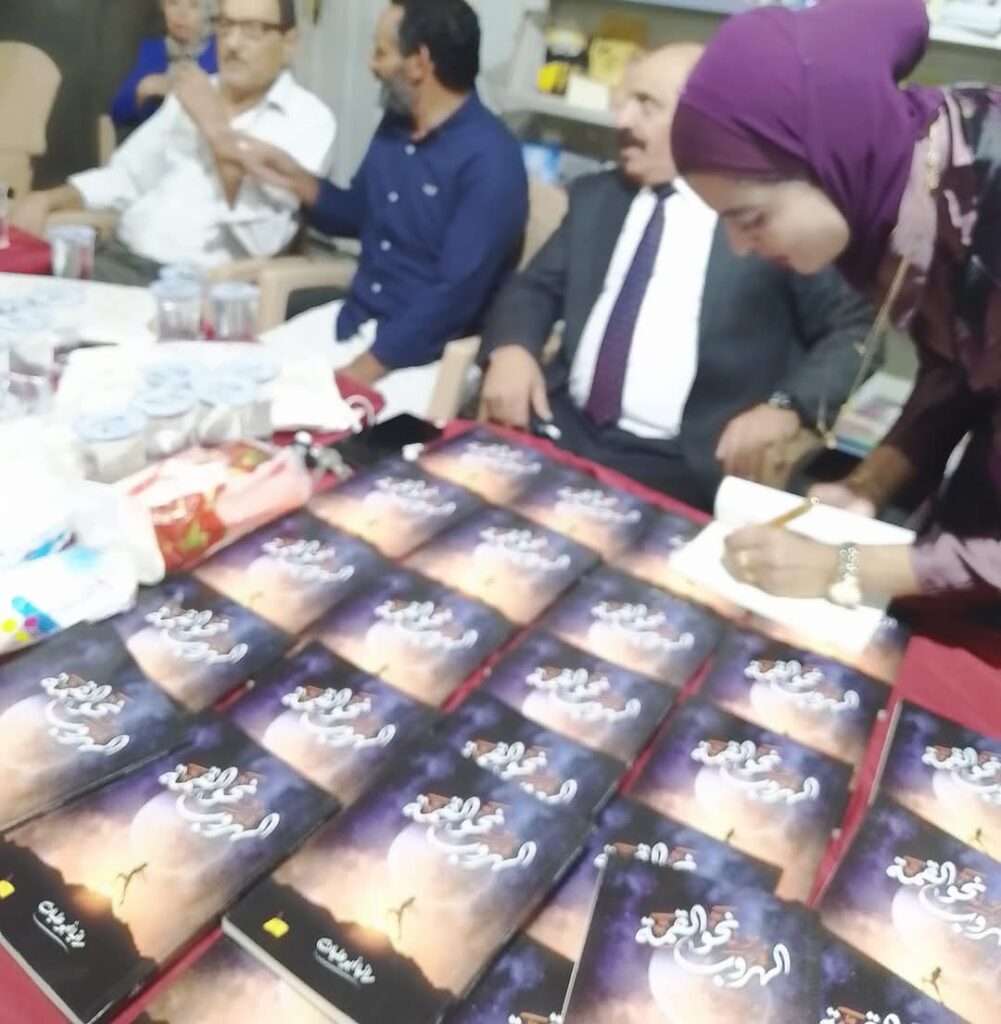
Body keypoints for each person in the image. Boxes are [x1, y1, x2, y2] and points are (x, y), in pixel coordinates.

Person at [670, 0, 1001, 608]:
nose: (740, 247)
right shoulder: (906, 193)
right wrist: (869, 485)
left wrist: (843, 565)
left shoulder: (988, 205)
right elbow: (959, 366)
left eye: (752, 219)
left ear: (835, 158)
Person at [477, 45, 873, 512]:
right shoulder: (597, 197)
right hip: (562, 428)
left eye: (646, 105)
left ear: (704, 120)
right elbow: (534, 288)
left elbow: (857, 330)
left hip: (687, 465)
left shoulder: (762, 215)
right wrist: (512, 349)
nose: (622, 120)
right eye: (623, 102)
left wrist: (788, 407)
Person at [241, 0, 528, 400]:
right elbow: (358, 214)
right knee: (242, 376)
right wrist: (291, 176)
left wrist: (359, 373)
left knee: (308, 420)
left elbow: (453, 296)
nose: (372, 66)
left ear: (419, 63)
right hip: (353, 322)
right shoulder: (396, 127)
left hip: (422, 359)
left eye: (381, 52)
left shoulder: (492, 159)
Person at [11, 0, 335, 286]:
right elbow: (127, 176)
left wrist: (215, 129)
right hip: (116, 258)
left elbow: (260, 239)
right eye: (225, 25)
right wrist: (49, 199)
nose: (232, 43)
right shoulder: (195, 92)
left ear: (289, 42)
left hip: (189, 289)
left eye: (252, 30)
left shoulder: (307, 119)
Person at [111, 0, 219, 131]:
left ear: (209, 11)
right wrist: (143, 89)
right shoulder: (152, 50)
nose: (181, 14)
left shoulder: (220, 52)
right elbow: (118, 113)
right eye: (173, 3)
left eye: (193, 5)